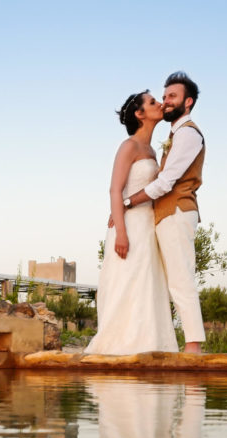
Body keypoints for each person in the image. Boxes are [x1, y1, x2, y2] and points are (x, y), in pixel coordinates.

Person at [85, 90, 178, 355]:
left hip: (149, 226)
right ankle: (121, 347)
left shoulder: (151, 149)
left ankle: (149, 345)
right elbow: (115, 190)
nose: (159, 104)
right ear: (140, 114)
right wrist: (122, 233)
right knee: (126, 284)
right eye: (152, 102)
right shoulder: (129, 146)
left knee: (147, 286)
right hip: (130, 226)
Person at [122, 71, 207, 354]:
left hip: (177, 211)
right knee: (173, 280)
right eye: (165, 95)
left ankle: (193, 346)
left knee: (181, 278)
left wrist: (127, 202)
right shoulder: (176, 134)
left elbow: (166, 182)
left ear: (189, 101)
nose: (166, 101)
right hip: (166, 215)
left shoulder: (188, 134)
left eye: (173, 96)